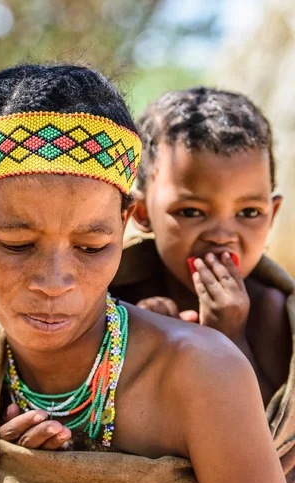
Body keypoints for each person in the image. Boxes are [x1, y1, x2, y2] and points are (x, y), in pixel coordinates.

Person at [0, 67, 295, 483]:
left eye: (92, 246)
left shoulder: (202, 376)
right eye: (17, 244)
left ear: (127, 223)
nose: (54, 281)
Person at [111, 86, 292, 407]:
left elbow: (275, 432)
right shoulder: (115, 298)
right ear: (141, 213)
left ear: (271, 215)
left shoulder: (271, 312)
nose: (222, 236)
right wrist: (139, 343)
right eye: (192, 212)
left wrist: (228, 339)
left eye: (248, 213)